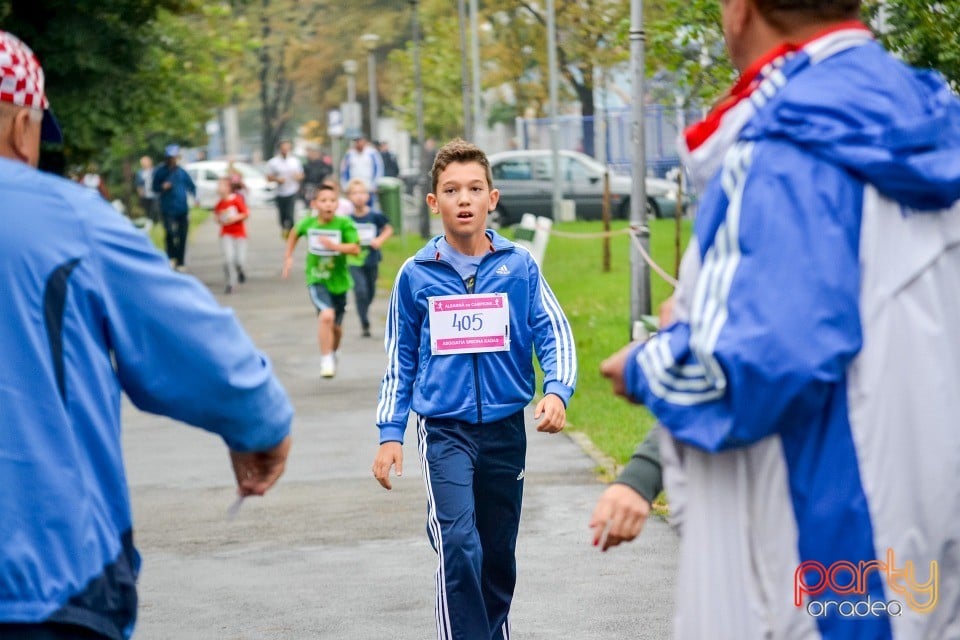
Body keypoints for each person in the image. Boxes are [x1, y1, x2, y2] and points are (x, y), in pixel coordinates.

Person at [592, 2, 960, 638]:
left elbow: (752, 367)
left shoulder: (790, 142)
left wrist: (649, 362)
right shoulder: (928, 117)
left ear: (742, 10)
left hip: (826, 548)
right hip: (922, 525)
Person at [0, 30, 293, 640]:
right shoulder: (65, 219)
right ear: (18, 125)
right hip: (45, 577)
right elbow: (189, 340)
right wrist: (259, 426)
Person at [372, 139, 577, 640]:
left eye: (474, 188)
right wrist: (390, 431)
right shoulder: (415, 275)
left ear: (492, 198)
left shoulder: (519, 266)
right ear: (433, 202)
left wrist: (556, 390)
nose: (463, 199)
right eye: (451, 190)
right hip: (445, 431)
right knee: (460, 544)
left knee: (498, 554)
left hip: (506, 430)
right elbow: (400, 359)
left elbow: (553, 331)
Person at [281, 182, 360, 379]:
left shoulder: (344, 224)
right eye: (323, 201)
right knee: (326, 316)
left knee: (337, 328)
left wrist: (335, 246)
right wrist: (288, 257)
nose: (328, 205)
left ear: (337, 204)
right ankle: (325, 360)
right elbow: (294, 233)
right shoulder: (309, 223)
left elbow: (355, 248)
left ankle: (333, 352)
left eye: (332, 201)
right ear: (315, 204)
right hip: (317, 278)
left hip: (339, 281)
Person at [345, 178, 393, 337]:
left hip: (372, 258)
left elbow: (388, 229)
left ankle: (364, 309)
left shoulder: (375, 215)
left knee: (370, 291)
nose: (358, 196)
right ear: (349, 196)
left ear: (367, 196)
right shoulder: (347, 219)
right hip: (354, 260)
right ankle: (364, 320)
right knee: (360, 290)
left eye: (362, 193)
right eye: (354, 193)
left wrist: (379, 240)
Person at [151, 144, 197, 271]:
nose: (173, 159)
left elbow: (191, 186)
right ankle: (171, 257)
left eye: (175, 157)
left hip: (182, 208)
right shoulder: (160, 172)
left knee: (182, 235)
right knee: (170, 233)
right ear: (167, 157)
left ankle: (181, 261)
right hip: (167, 209)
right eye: (171, 157)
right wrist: (162, 187)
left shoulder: (181, 172)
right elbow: (154, 188)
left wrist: (195, 197)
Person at [213, 176, 249, 294]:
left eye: (221, 185)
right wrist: (220, 219)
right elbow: (217, 217)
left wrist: (234, 218)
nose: (219, 188)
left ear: (228, 188)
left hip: (239, 234)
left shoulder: (236, 199)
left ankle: (240, 271)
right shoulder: (219, 203)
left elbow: (245, 213)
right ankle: (230, 283)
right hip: (226, 234)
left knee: (239, 260)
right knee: (228, 259)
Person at [266, 138, 304, 238]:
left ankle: (292, 234)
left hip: (292, 191)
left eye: (287, 147)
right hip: (280, 192)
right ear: (279, 149)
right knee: (282, 215)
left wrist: (298, 177)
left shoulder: (295, 161)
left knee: (290, 214)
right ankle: (284, 228)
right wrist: (278, 180)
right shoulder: (273, 162)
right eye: (283, 148)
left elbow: (301, 175)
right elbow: (268, 177)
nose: (285, 149)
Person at [339, 135, 383, 203]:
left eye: (361, 141)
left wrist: (375, 184)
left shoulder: (372, 153)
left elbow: (378, 169)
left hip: (369, 186)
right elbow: (344, 171)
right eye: (357, 141)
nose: (359, 143)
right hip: (354, 187)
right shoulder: (349, 154)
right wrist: (345, 186)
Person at [135, 155, 159, 222]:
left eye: (145, 162)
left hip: (155, 193)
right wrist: (140, 192)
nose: (144, 164)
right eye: (143, 163)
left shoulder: (156, 170)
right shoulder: (140, 173)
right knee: (148, 209)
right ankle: (152, 222)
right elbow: (138, 183)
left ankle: (158, 221)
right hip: (146, 194)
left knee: (156, 208)